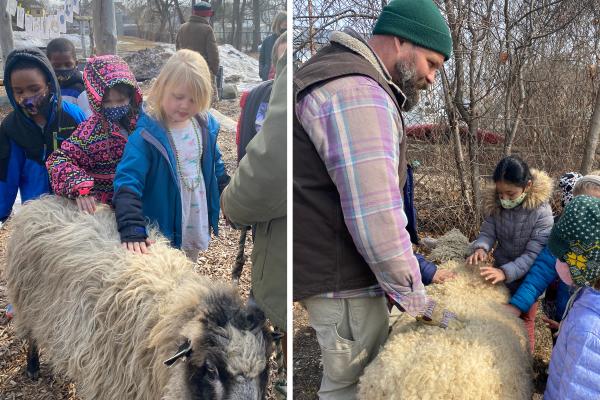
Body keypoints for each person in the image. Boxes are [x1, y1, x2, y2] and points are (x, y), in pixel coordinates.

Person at [293, 0, 462, 398]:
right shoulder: (359, 93)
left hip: (336, 275)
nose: (433, 79)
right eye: (431, 64)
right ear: (402, 42)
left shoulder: (335, 73)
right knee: (353, 388)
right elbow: (376, 218)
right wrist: (421, 304)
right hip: (345, 284)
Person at [113, 49, 229, 262]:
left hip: (194, 216)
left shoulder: (205, 126)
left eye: (194, 99)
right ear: (161, 88)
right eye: (178, 97)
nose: (185, 105)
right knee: (164, 278)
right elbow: (128, 180)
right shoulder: (146, 135)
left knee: (189, 266)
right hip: (161, 224)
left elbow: (216, 166)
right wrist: (131, 224)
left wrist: (228, 197)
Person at [221, 50, 287, 398]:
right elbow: (251, 147)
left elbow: (268, 164)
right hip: (277, 223)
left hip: (277, 227)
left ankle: (275, 369)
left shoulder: (280, 88)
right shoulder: (263, 94)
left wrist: (233, 201)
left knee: (271, 302)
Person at [466, 156, 554, 352]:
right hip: (501, 278)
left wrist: (505, 272)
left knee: (524, 323)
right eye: (500, 194)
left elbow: (534, 254)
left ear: (527, 186)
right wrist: (481, 247)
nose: (504, 199)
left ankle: (524, 360)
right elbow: (488, 231)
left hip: (528, 281)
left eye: (511, 194)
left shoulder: (542, 213)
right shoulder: (496, 205)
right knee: (499, 319)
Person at [506, 173, 600, 342]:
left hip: (587, 330)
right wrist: (517, 305)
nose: (586, 213)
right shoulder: (564, 236)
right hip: (563, 314)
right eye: (580, 205)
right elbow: (542, 270)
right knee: (561, 349)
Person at [46, 55, 143, 212]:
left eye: (120, 100)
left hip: (141, 202)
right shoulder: (89, 133)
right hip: (106, 212)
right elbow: (58, 160)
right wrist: (80, 187)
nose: (114, 107)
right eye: (107, 102)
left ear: (132, 96)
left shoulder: (143, 126)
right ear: (94, 99)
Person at [0, 47, 86, 223]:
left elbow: (88, 159)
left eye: (34, 88)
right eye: (19, 91)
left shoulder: (73, 117)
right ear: (11, 90)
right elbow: (7, 175)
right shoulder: (11, 128)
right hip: (37, 214)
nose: (27, 97)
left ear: (49, 83)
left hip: (75, 211)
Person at [543, 194, 600, 400]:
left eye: (562, 257)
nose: (557, 263)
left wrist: (577, 331)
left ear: (582, 263)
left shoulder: (588, 331)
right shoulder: (589, 292)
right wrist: (567, 329)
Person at [176, 2, 219, 82]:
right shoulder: (207, 29)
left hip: (184, 71)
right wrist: (214, 71)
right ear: (206, 16)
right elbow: (213, 54)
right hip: (202, 71)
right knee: (207, 94)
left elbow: (178, 50)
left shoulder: (182, 27)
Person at [46, 37, 89, 115]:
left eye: (68, 65)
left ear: (76, 64)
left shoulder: (81, 90)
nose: (63, 69)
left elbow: (87, 118)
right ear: (48, 65)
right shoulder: (45, 88)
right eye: (57, 65)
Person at [259, 10, 286, 81]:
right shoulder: (267, 41)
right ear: (278, 24)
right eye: (284, 25)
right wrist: (262, 72)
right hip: (268, 78)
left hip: (282, 78)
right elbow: (262, 59)